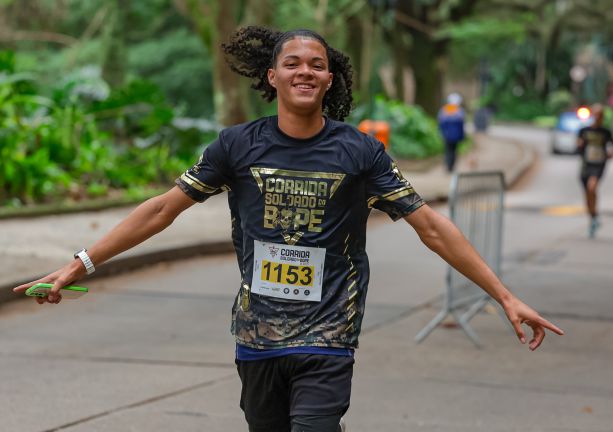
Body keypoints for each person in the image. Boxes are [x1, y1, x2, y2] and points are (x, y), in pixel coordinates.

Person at [13, 26, 564, 432]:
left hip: (329, 335)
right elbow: (161, 210)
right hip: (258, 337)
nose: (306, 71)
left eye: (317, 64)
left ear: (330, 78)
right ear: (271, 76)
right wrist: (77, 264)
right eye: (293, 62)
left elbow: (432, 228)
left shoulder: (359, 150)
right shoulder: (237, 146)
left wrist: (505, 297)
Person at [577, 104, 613, 238]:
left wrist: (611, 152)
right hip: (586, 165)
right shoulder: (584, 130)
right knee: (587, 194)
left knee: (592, 187)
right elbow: (578, 148)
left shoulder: (606, 132)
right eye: (596, 115)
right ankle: (593, 217)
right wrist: (579, 145)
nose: (598, 118)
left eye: (600, 115)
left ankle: (594, 217)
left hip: (598, 164)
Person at [437, 92, 466, 172]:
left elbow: (441, 123)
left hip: (446, 135)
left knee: (448, 150)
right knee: (453, 150)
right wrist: (462, 135)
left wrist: (441, 132)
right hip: (455, 136)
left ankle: (448, 164)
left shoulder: (444, 110)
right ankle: (451, 165)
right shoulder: (459, 111)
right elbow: (462, 125)